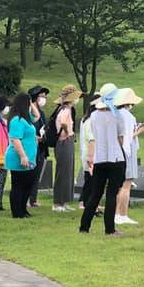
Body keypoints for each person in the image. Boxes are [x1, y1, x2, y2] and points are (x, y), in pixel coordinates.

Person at [80, 83, 126, 237]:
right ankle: (110, 229)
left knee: (95, 193)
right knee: (112, 193)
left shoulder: (93, 116)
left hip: (100, 158)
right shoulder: (118, 116)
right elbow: (120, 138)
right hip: (115, 158)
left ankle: (84, 226)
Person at [114, 88, 144, 226]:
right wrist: (138, 132)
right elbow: (126, 138)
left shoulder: (115, 114)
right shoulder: (127, 116)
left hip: (118, 152)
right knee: (126, 185)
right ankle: (122, 214)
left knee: (119, 185)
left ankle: (116, 213)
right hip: (128, 151)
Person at [5, 93, 38, 219]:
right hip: (19, 157)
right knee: (18, 185)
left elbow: (37, 116)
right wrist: (23, 156)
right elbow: (16, 140)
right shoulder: (16, 120)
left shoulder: (26, 119)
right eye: (28, 103)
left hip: (30, 157)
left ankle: (23, 209)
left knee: (28, 184)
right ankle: (17, 212)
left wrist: (32, 103)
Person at [52, 84, 82, 212]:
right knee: (63, 172)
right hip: (64, 142)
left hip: (65, 142)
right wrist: (67, 132)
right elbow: (64, 122)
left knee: (68, 172)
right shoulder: (66, 110)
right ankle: (58, 203)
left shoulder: (63, 109)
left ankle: (64, 201)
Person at [27, 85, 50, 208]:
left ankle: (33, 199)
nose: (44, 99)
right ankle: (27, 198)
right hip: (31, 146)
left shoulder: (42, 113)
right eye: (42, 96)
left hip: (41, 147)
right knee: (30, 173)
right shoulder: (29, 112)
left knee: (37, 174)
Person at [78, 94, 98, 210]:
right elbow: (92, 139)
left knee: (89, 181)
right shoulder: (91, 121)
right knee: (91, 182)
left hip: (87, 152)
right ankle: (88, 204)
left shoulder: (85, 119)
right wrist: (91, 157)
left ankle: (85, 203)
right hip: (91, 153)